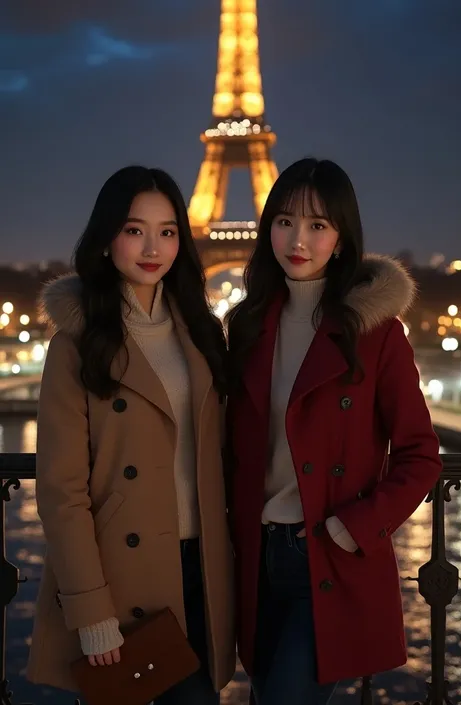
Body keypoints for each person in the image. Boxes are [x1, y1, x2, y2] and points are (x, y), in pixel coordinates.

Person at [225, 157, 442, 705]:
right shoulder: (247, 326)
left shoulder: (375, 333)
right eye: (285, 221)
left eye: (318, 225)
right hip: (253, 556)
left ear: (342, 238)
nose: (298, 239)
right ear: (267, 227)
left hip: (325, 555)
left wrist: (353, 527)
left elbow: (420, 453)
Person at [27, 166, 235, 704]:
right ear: (106, 236)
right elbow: (61, 490)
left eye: (167, 231)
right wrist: (89, 607)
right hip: (121, 579)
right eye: (134, 229)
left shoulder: (202, 334)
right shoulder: (77, 344)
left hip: (201, 569)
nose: (153, 247)